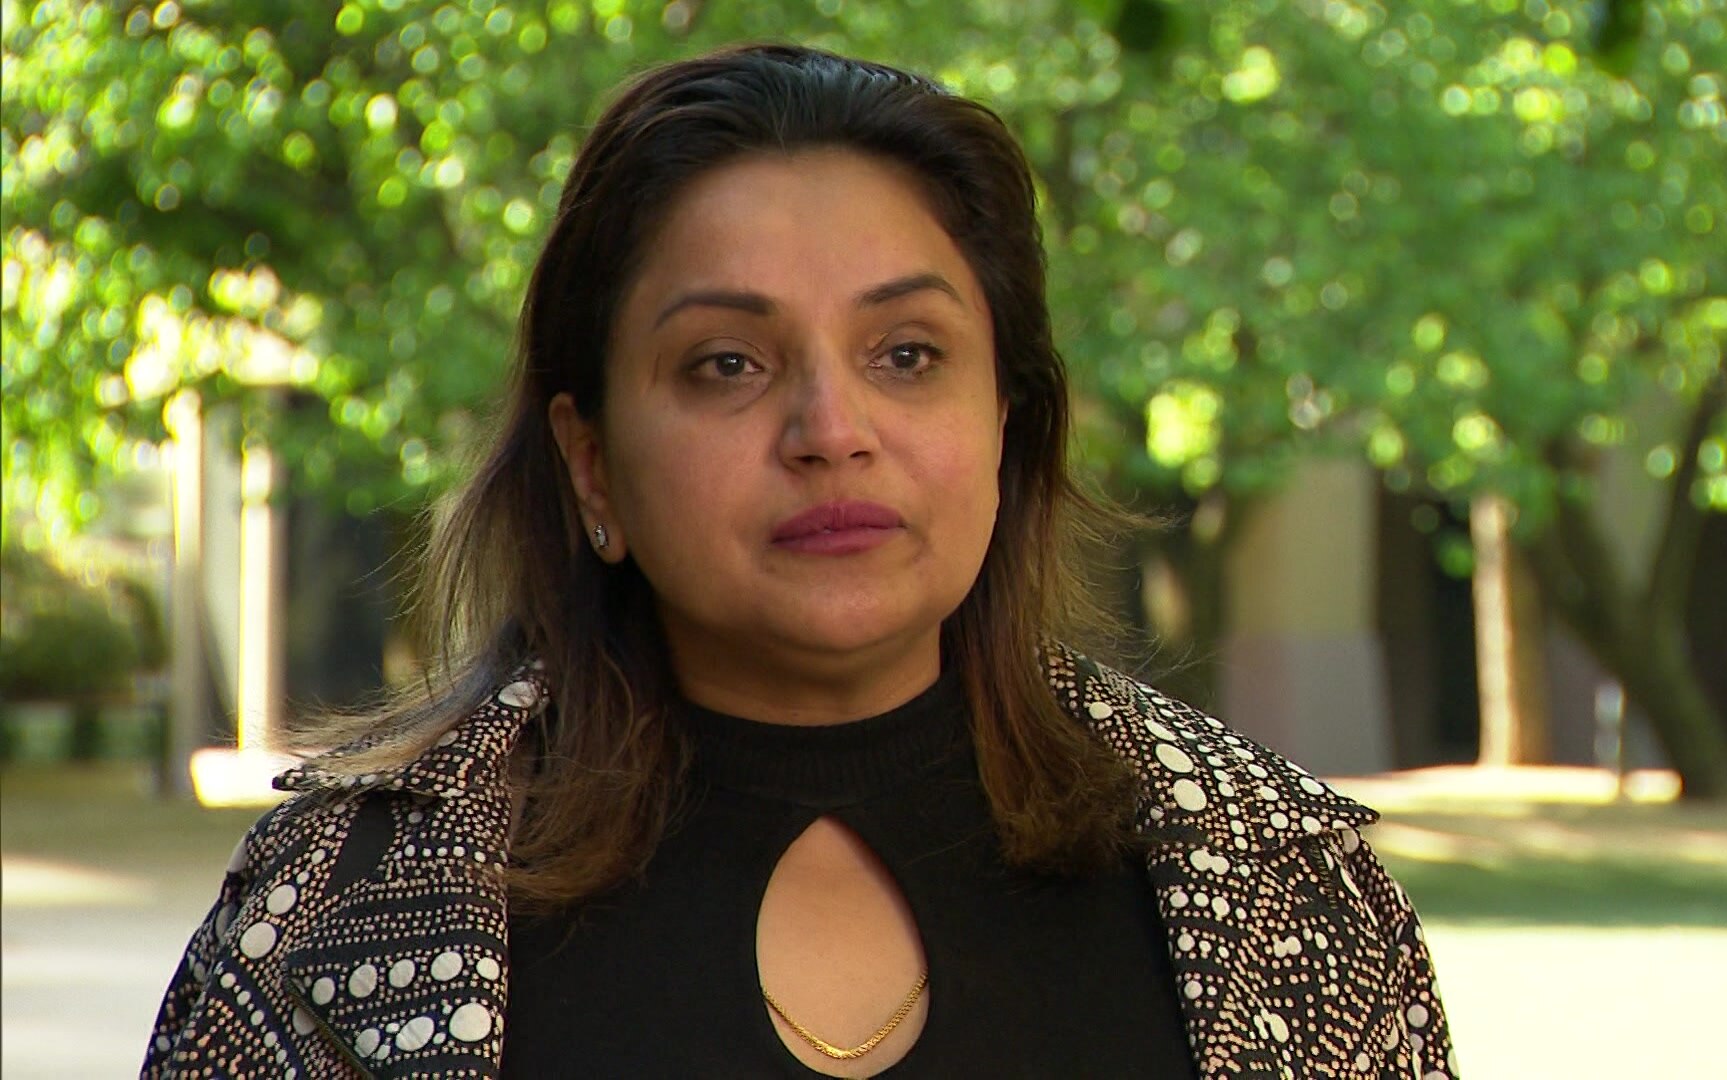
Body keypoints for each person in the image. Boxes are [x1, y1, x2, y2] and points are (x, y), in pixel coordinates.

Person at [143, 44, 1456, 1079]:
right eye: (727, 363)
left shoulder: (1276, 883)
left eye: (907, 356)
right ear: (591, 463)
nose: (833, 433)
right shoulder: (340, 913)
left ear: (1007, 418)